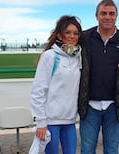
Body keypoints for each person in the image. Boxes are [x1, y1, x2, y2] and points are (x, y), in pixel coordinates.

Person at [78, 0, 119, 153]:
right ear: (96, 16)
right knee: (87, 150)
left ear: (116, 16)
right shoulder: (85, 37)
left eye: (111, 13)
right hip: (89, 106)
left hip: (114, 106)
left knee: (111, 150)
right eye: (103, 13)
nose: (107, 17)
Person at [30, 15, 83, 154]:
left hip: (70, 121)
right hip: (50, 122)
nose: (72, 36)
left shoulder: (79, 57)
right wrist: (41, 122)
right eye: (68, 32)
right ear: (60, 35)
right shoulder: (50, 56)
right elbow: (38, 90)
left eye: (75, 33)